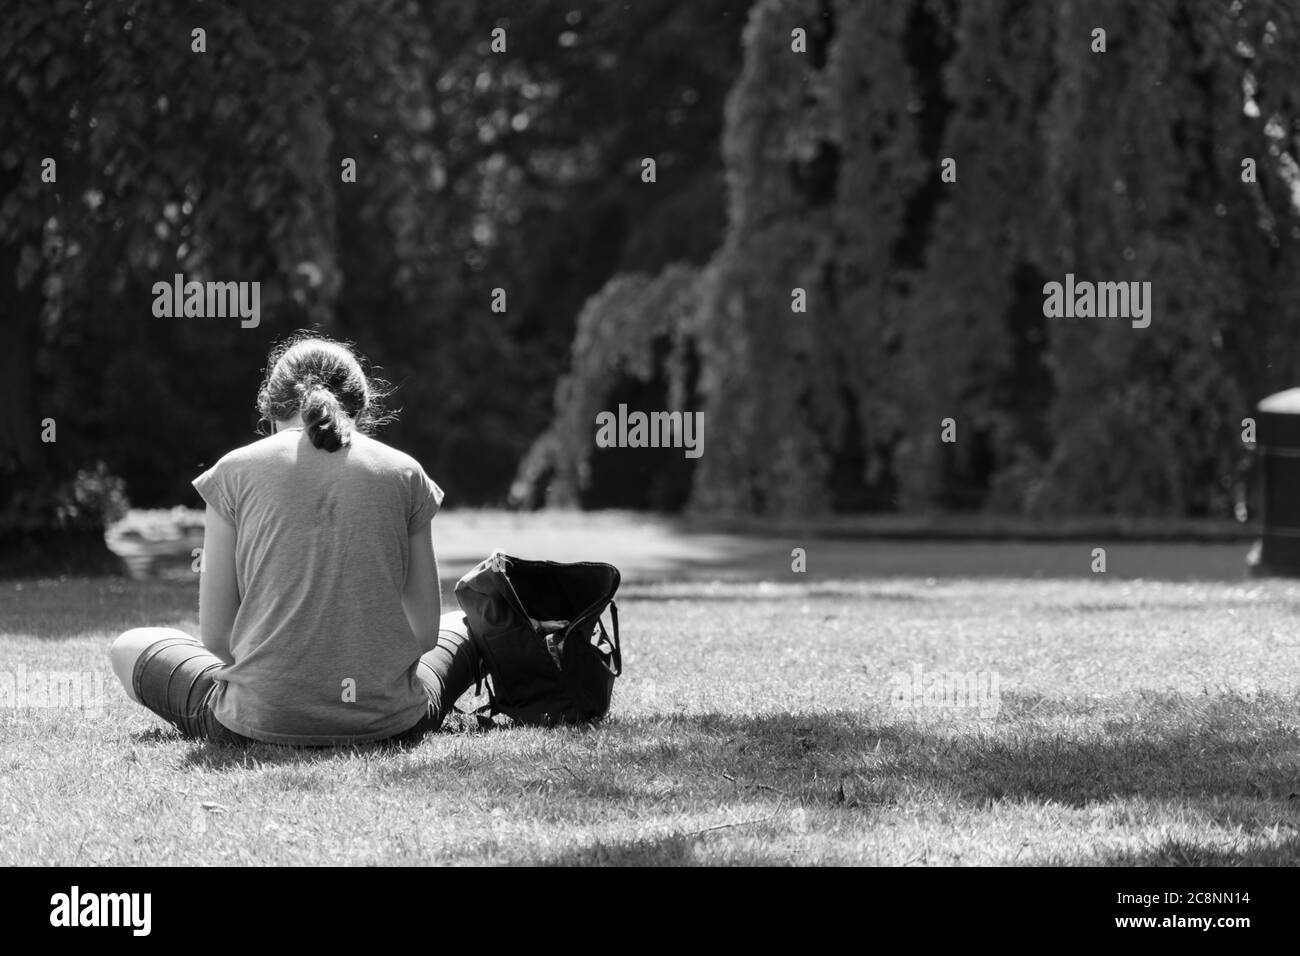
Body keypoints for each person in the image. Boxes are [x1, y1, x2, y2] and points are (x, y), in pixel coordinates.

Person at [108, 333, 480, 746]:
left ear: (270, 414)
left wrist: (282, 677)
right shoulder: (405, 472)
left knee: (129, 645)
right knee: (464, 624)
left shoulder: (232, 471)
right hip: (390, 719)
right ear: (361, 411)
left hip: (255, 718)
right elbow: (425, 634)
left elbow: (215, 636)